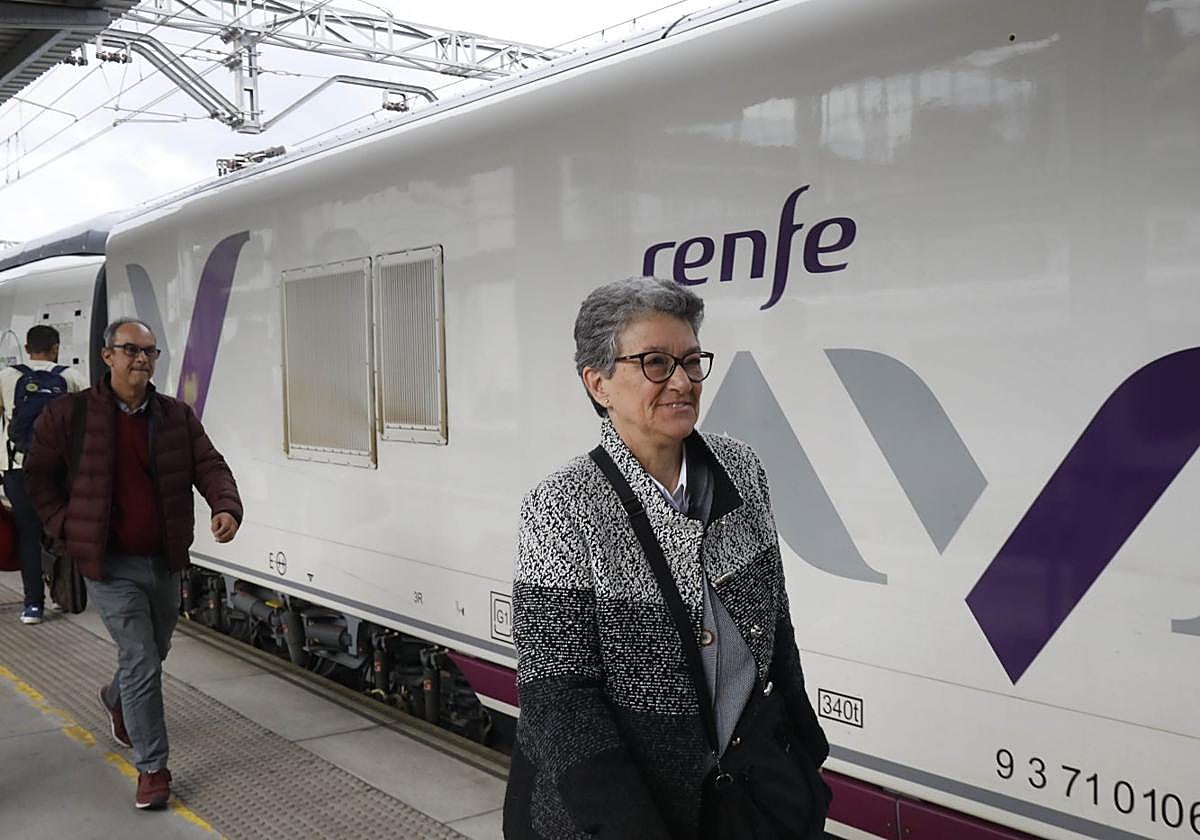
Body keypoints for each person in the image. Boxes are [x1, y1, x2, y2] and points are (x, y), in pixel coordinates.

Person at [503, 277, 830, 840]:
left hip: (748, 801)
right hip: (627, 814)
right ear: (599, 383)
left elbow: (776, 619)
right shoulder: (561, 506)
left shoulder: (741, 469)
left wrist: (803, 751)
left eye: (690, 360)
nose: (682, 381)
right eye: (655, 363)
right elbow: (560, 698)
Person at [24, 317, 242, 811]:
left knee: (153, 650)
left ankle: (116, 698)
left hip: (163, 559)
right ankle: (152, 768)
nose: (141, 359)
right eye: (130, 350)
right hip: (108, 563)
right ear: (107, 357)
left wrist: (225, 505)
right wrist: (67, 524)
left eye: (149, 351)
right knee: (141, 659)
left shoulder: (174, 417)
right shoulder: (70, 416)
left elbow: (209, 464)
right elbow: (39, 477)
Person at [0, 324, 88, 624]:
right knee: (61, 529)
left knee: (28, 534)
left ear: (26, 348)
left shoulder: (7, 377)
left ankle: (33, 606)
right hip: (58, 468)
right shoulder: (71, 378)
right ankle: (66, 593)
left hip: (17, 467)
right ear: (56, 348)